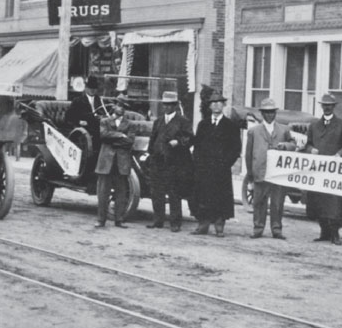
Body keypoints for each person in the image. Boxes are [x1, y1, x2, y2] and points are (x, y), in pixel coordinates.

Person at [303, 93, 342, 245]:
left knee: (334, 204)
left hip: (334, 172)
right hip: (317, 171)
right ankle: (324, 232)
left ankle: (335, 233)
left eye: (330, 105)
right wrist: (311, 149)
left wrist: (340, 154)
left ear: (334, 107)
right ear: (321, 106)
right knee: (318, 202)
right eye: (324, 105)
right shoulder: (314, 125)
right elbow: (307, 144)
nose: (327, 108)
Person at [191, 90, 242, 237]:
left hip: (221, 169)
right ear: (209, 106)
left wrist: (225, 164)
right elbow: (197, 145)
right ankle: (203, 224)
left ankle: (219, 225)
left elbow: (235, 149)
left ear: (223, 105)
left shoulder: (230, 126)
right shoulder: (203, 125)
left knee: (221, 197)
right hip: (204, 169)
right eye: (213, 103)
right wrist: (199, 162)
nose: (216, 106)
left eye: (219, 103)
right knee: (204, 196)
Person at [244, 97, 296, 240]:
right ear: (262, 114)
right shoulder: (254, 131)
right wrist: (250, 174)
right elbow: (248, 154)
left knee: (277, 202)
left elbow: (293, 145)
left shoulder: (284, 129)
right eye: (266, 112)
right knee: (259, 202)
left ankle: (276, 229)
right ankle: (258, 228)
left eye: (272, 112)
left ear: (275, 113)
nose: (269, 115)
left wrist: (284, 146)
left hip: (277, 173)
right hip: (260, 171)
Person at [146, 90, 194, 233]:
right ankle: (158, 220)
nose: (166, 107)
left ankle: (175, 223)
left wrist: (178, 142)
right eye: (164, 105)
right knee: (157, 192)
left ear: (175, 106)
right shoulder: (158, 121)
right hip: (158, 162)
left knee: (174, 193)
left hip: (174, 163)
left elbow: (190, 138)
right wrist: (152, 153)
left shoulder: (183, 121)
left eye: (170, 105)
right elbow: (152, 139)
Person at [94, 94, 136, 228]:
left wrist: (113, 141)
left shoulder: (129, 124)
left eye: (124, 107)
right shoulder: (105, 121)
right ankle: (101, 220)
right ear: (114, 106)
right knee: (103, 192)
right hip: (106, 161)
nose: (121, 109)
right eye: (119, 105)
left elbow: (129, 142)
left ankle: (119, 220)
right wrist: (120, 136)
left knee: (121, 192)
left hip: (121, 162)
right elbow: (103, 135)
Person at [66, 75, 103, 161]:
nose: (93, 90)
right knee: (98, 134)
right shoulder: (78, 100)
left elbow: (105, 112)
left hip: (99, 125)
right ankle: (94, 158)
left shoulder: (100, 101)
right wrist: (79, 122)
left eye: (94, 88)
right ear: (86, 88)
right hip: (86, 127)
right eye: (90, 87)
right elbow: (69, 116)